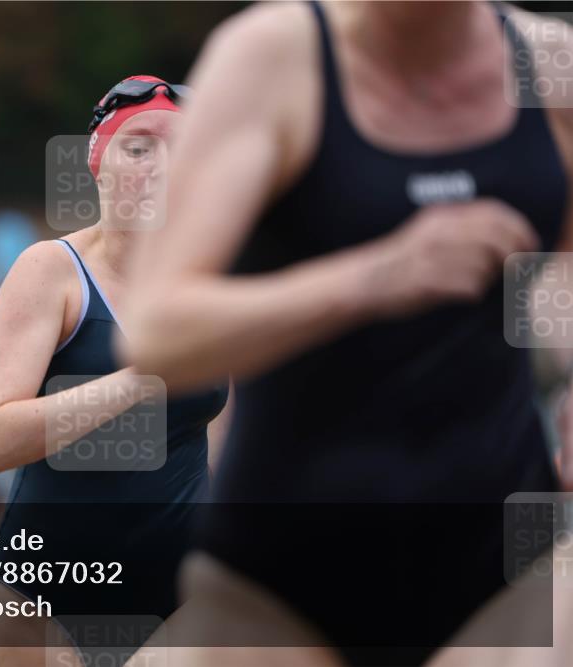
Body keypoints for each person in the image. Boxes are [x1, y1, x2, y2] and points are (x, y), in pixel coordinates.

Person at [118, 2, 573, 665]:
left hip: (504, 562)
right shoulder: (267, 59)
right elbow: (159, 331)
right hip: (280, 585)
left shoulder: (552, 63)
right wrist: (375, 276)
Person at [0, 75, 230, 667]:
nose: (159, 167)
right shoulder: (51, 273)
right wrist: (138, 380)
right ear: (98, 164)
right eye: (137, 148)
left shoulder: (212, 286)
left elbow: (229, 444)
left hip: (183, 599)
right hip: (40, 605)